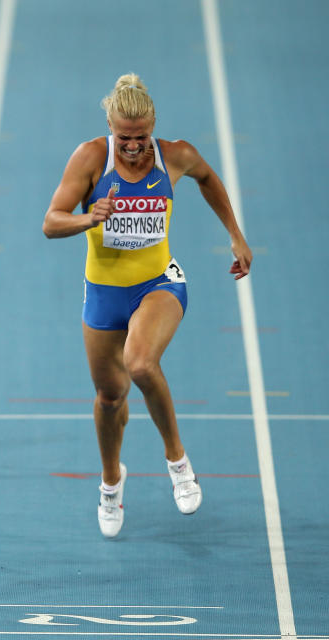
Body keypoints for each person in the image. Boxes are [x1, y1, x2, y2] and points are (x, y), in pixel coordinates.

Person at [43, 73, 252, 538]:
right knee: (110, 397)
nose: (133, 147)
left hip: (158, 284)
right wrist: (88, 217)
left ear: (153, 128)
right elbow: (50, 223)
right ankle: (112, 481)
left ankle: (178, 462)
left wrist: (235, 236)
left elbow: (208, 179)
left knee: (140, 364)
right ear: (110, 128)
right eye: (124, 138)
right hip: (103, 293)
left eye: (140, 138)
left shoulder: (174, 155)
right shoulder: (91, 158)